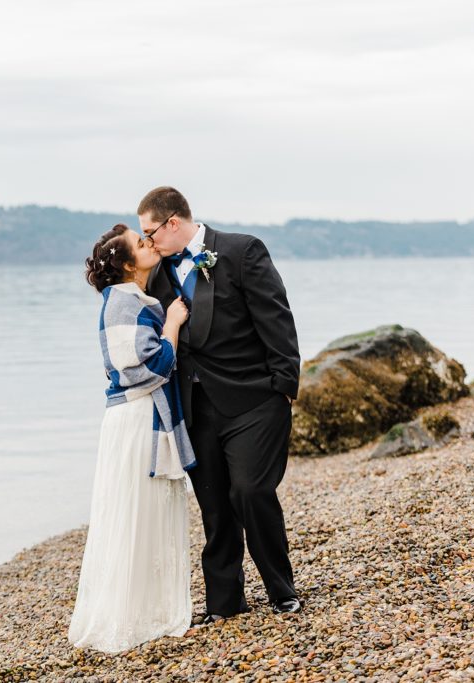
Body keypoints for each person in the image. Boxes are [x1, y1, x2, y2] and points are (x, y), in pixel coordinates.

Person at [139, 186, 302, 624]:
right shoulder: (157, 274)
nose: (148, 242)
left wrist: (285, 386)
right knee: (214, 508)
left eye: (150, 232)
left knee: (250, 492)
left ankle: (281, 590)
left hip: (254, 400)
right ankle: (224, 604)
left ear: (173, 223)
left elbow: (276, 317)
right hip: (194, 408)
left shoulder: (241, 251)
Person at [68, 224, 196, 653]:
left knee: (149, 510)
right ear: (126, 264)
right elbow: (148, 366)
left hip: (141, 417)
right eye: (141, 244)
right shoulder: (121, 304)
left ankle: (151, 608)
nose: (149, 244)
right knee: (136, 510)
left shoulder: (135, 297)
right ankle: (131, 615)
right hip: (137, 419)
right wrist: (174, 324)